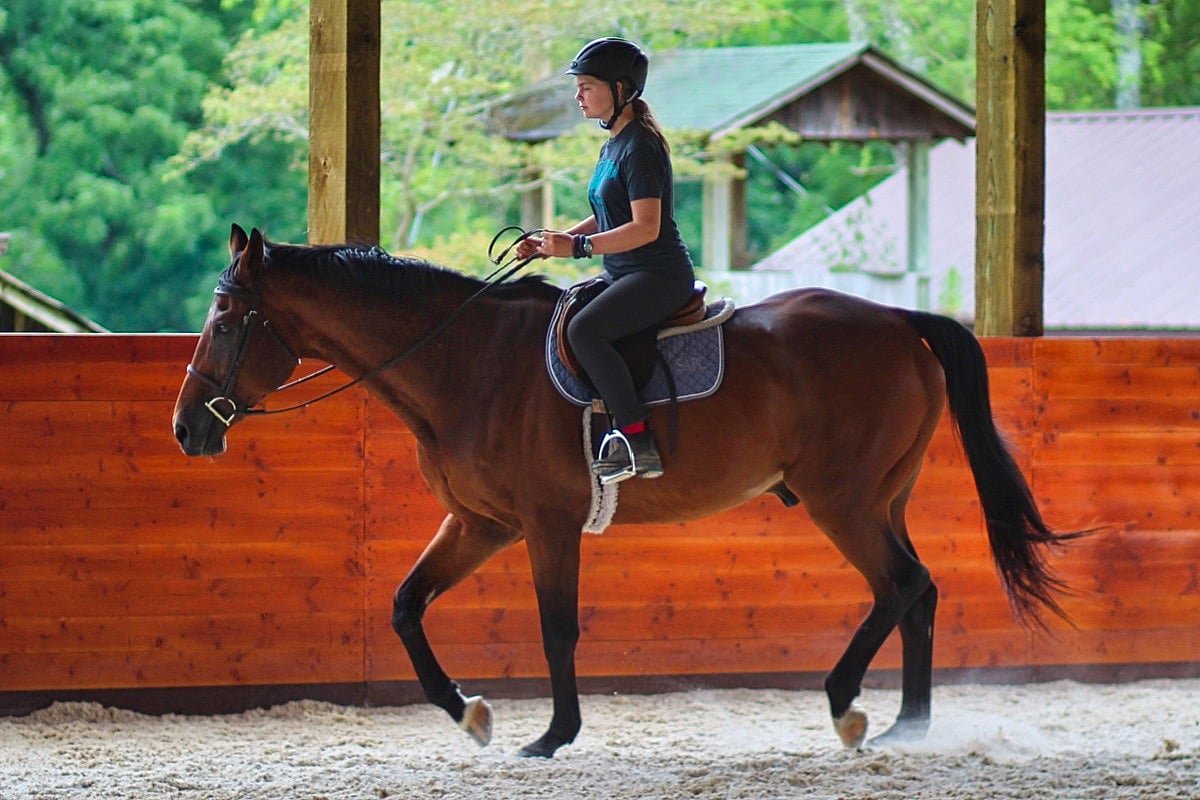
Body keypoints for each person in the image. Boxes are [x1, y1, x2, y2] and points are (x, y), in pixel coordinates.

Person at [518, 37, 696, 485]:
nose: (578, 96)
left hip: (657, 275)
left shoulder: (641, 147)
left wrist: (578, 249)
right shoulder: (614, 144)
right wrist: (552, 241)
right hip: (622, 272)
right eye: (578, 87)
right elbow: (606, 213)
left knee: (585, 331)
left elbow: (645, 228)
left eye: (587, 87)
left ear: (620, 89)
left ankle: (637, 439)